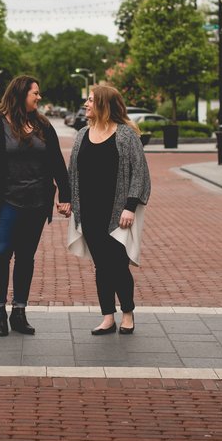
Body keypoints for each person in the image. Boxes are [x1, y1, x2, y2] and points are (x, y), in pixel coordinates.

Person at [0, 76, 71, 336]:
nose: (39, 98)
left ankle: (19, 312)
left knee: (26, 257)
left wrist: (66, 194)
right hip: (5, 201)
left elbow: (57, 162)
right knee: (1, 253)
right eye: (35, 93)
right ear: (20, 93)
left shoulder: (42, 125)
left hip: (37, 202)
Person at [66, 84, 151, 335]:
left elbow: (140, 174)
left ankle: (127, 312)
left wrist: (130, 207)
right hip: (89, 211)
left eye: (91, 100)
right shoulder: (82, 134)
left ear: (103, 104)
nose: (86, 105)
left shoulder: (126, 135)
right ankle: (107, 316)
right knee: (101, 265)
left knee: (117, 263)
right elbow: (74, 172)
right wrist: (68, 199)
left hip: (117, 212)